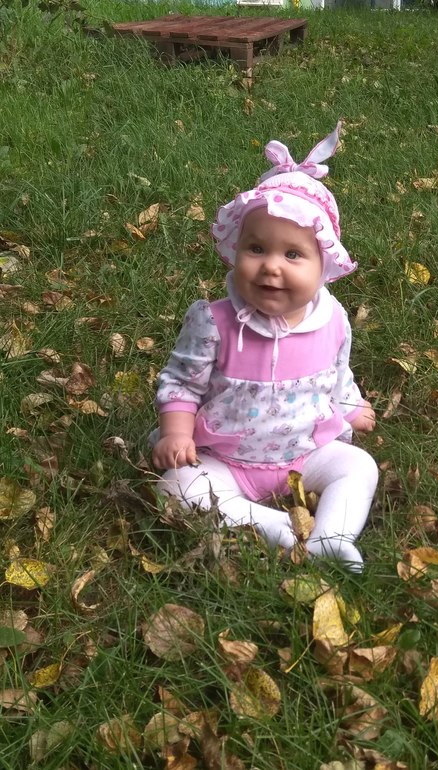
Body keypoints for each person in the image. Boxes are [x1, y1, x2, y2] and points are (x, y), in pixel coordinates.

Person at [151, 123, 378, 571]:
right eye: (256, 248)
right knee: (176, 489)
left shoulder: (332, 319)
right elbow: (181, 383)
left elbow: (338, 373)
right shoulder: (213, 322)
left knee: (359, 467)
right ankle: (275, 527)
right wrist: (176, 432)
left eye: (293, 255)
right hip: (224, 459)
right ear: (236, 250)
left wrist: (350, 406)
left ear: (323, 264)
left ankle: (332, 537)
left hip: (307, 450)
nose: (272, 266)